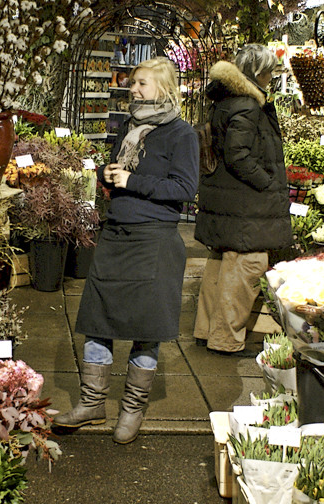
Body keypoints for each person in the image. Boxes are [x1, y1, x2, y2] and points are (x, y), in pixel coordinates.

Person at [54, 57, 199, 445]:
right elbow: (120, 168)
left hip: (154, 240)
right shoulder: (128, 126)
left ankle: (132, 409)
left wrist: (132, 180)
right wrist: (107, 173)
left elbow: (184, 189)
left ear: (165, 89)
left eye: (142, 84)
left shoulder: (182, 134)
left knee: (145, 329)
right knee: (97, 320)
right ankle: (92, 403)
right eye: (133, 82)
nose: (133, 89)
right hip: (117, 234)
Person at [194, 44, 292, 357]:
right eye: (268, 71)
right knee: (247, 266)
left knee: (221, 264)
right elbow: (237, 155)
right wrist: (268, 182)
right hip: (245, 204)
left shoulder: (227, 100)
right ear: (256, 72)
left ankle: (207, 330)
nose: (271, 77)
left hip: (229, 201)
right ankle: (225, 339)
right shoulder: (248, 106)